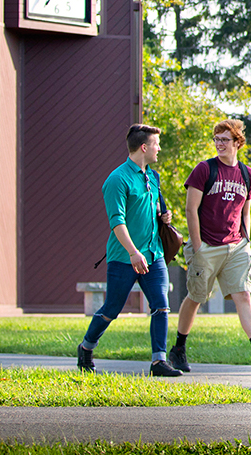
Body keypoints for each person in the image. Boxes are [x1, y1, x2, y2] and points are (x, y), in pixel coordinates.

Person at [168, 119, 251, 375]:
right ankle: (178, 348)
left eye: (225, 139)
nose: (219, 144)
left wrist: (246, 240)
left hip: (236, 246)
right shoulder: (204, 170)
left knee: (243, 295)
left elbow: (246, 211)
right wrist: (198, 245)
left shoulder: (247, 174)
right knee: (196, 298)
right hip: (206, 245)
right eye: (216, 139)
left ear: (238, 142)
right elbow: (191, 210)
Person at [77, 124, 181, 377]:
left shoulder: (153, 177)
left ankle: (159, 362)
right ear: (144, 147)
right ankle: (86, 348)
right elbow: (117, 222)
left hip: (154, 254)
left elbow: (153, 210)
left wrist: (163, 216)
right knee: (111, 308)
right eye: (156, 144)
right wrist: (134, 253)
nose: (159, 148)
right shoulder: (116, 179)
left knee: (161, 306)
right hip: (124, 257)